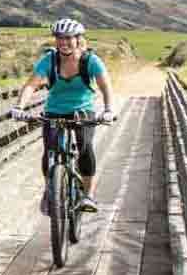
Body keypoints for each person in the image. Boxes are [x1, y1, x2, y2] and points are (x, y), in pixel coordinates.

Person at [14, 17, 114, 213]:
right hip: (54, 111)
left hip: (82, 111)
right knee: (49, 150)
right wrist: (19, 107)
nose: (64, 42)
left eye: (68, 38)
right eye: (60, 38)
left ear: (78, 39)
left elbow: (105, 86)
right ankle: (50, 190)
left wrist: (108, 109)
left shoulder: (90, 60)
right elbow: (31, 85)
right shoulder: (49, 60)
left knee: (85, 147)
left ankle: (88, 195)